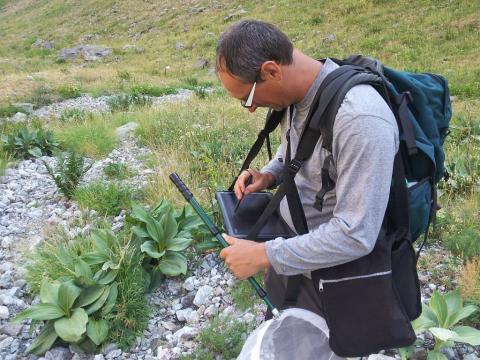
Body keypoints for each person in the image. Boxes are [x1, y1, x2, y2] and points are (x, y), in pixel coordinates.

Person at [217, 20, 399, 317]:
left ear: (271, 71)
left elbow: (356, 235)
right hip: (295, 254)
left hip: (337, 277)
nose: (250, 109)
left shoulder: (360, 120)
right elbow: (296, 147)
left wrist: (265, 255)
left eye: (246, 99)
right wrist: (269, 175)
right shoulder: (298, 94)